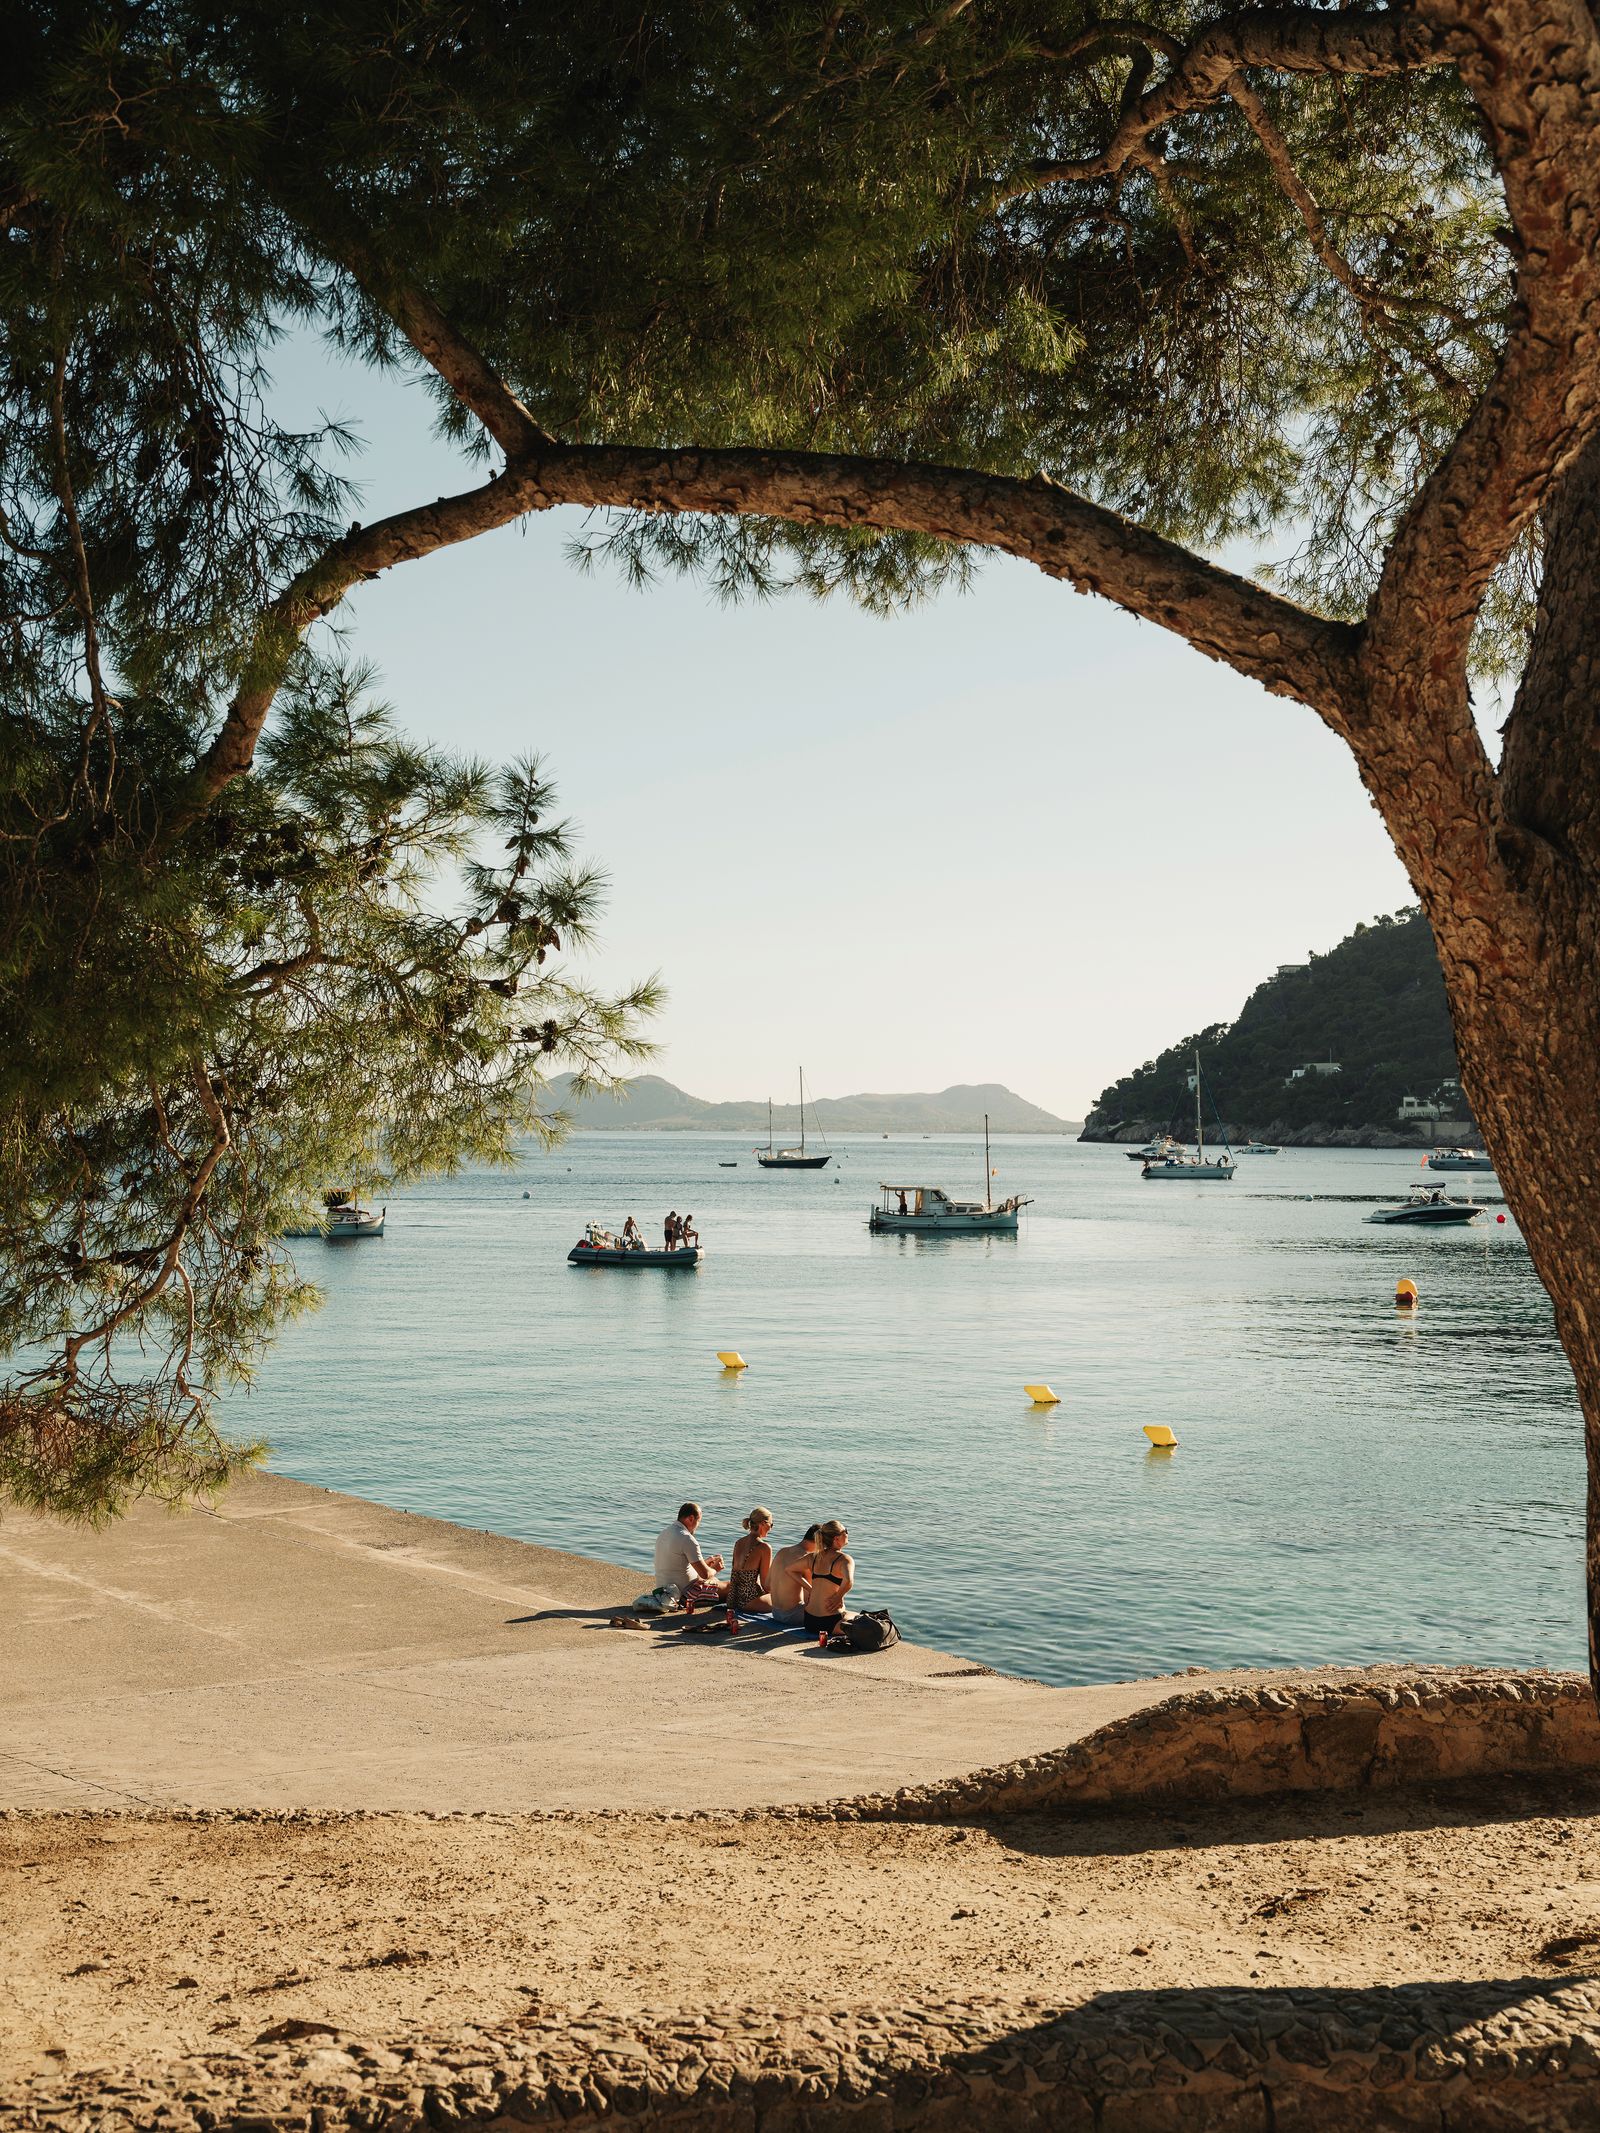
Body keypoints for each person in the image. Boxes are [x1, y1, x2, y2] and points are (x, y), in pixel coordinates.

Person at [653, 1501, 723, 1600]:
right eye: (698, 1521)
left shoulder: (664, 1533)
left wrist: (705, 1563)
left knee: (714, 1580)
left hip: (662, 1589)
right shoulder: (687, 1538)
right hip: (683, 1592)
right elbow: (705, 1574)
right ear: (691, 1518)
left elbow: (678, 1565)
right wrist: (715, 1569)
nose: (698, 1526)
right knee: (728, 1587)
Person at [724, 1507, 774, 1632]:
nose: (771, 1528)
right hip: (749, 1601)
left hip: (733, 1598)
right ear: (763, 1523)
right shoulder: (764, 1547)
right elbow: (766, 1584)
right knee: (786, 1602)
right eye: (771, 1524)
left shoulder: (738, 1542)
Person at [804, 1520, 854, 1643]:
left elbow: (789, 1570)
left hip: (809, 1621)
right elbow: (848, 1581)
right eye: (845, 1531)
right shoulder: (845, 1559)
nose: (847, 1534)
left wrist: (810, 1588)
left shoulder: (814, 1557)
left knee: (849, 1614)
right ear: (837, 1538)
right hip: (831, 1623)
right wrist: (838, 1596)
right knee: (864, 1618)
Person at [769, 1524, 820, 1629]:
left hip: (775, 1613)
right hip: (793, 1616)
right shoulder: (806, 1558)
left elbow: (766, 1583)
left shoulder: (782, 1551)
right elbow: (810, 1598)